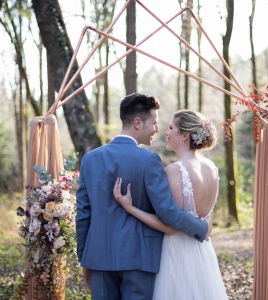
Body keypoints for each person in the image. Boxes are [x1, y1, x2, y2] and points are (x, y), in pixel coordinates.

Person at [75, 93, 212, 300]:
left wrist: (85, 259)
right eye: (154, 123)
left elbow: (83, 215)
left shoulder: (90, 159)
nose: (157, 129)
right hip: (140, 258)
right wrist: (202, 228)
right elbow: (168, 212)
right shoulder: (149, 160)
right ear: (138, 123)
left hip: (99, 257)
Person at [113, 109, 228, 300]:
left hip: (178, 254)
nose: (165, 132)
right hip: (203, 251)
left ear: (184, 135)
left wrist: (130, 208)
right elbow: (206, 221)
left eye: (171, 127)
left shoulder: (176, 171)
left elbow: (169, 226)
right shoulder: (211, 169)